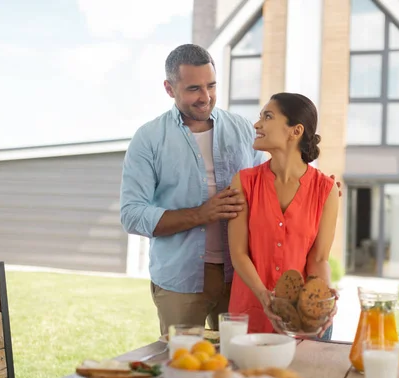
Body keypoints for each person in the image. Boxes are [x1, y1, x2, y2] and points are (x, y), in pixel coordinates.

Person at [120, 44, 341, 336]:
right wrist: (201, 214)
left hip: (238, 280)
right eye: (193, 89)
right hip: (182, 280)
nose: (205, 97)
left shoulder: (242, 131)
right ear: (169, 89)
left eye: (211, 85)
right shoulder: (149, 139)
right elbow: (132, 215)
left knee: (235, 366)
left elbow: (277, 178)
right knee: (185, 368)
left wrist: (320, 191)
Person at [228, 92, 339, 340]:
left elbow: (319, 258)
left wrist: (322, 296)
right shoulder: (245, 182)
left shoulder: (326, 189)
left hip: (300, 322)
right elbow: (239, 253)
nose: (257, 125)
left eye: (268, 116)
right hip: (250, 314)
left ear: (295, 131)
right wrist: (264, 296)